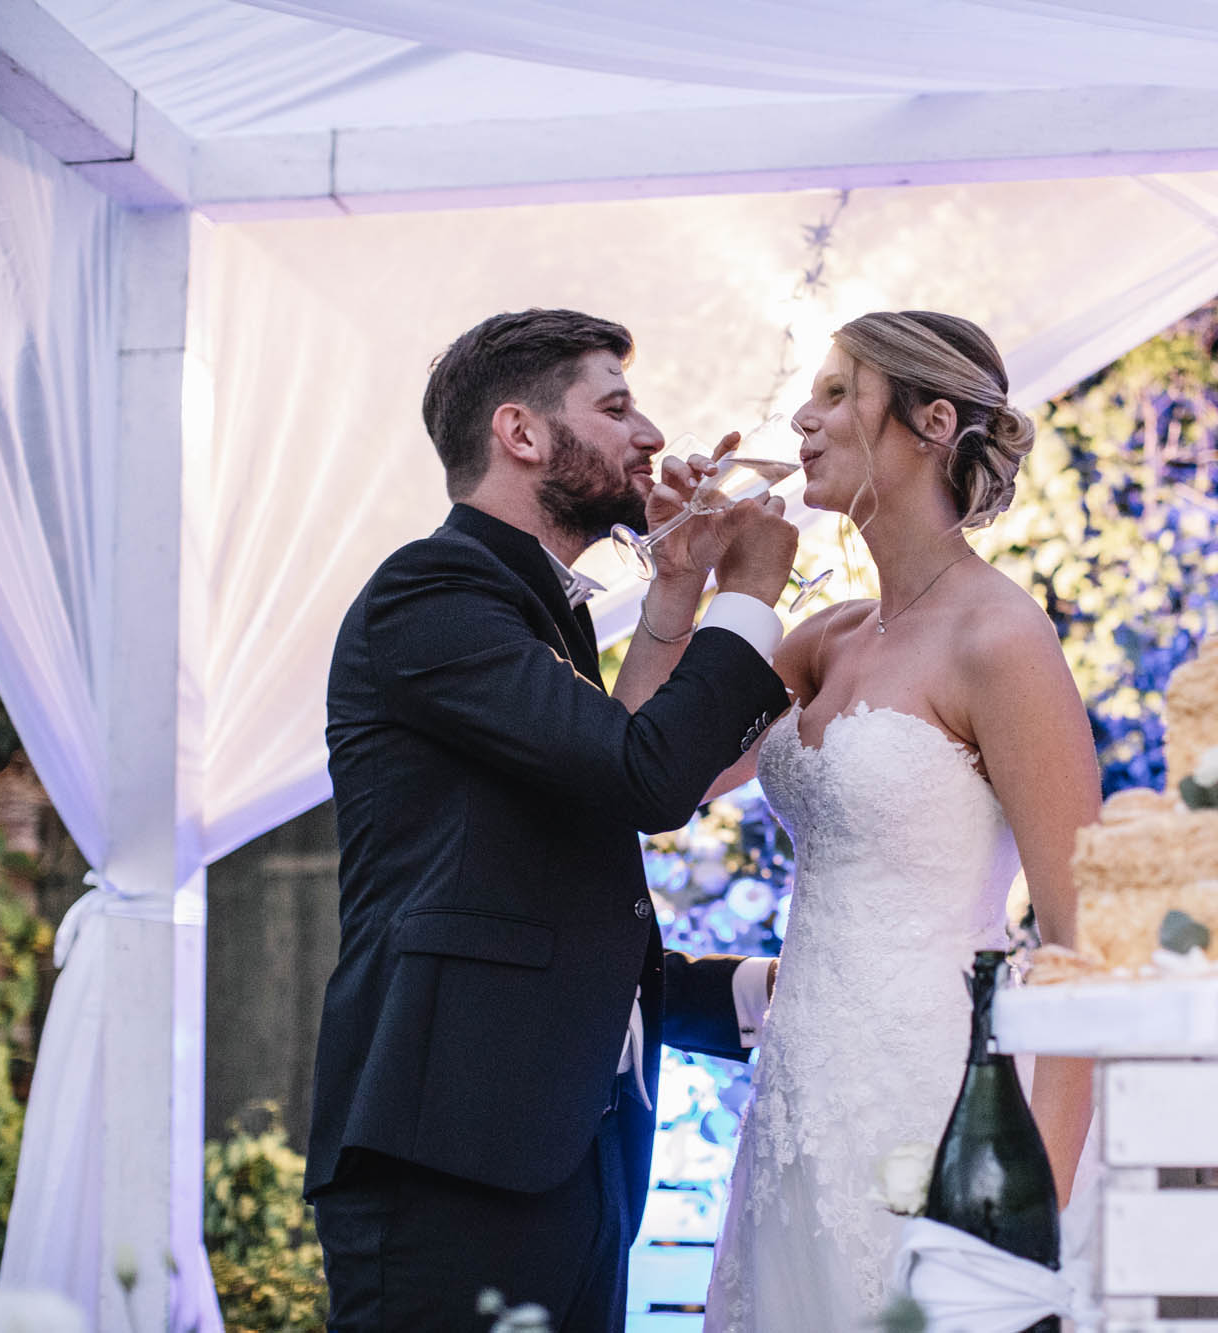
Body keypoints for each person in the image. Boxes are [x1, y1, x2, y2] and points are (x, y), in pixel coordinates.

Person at [304, 308, 800, 1332]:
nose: (653, 436)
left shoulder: (541, 611)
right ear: (522, 433)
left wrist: (674, 589)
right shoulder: (432, 592)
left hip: (570, 1157)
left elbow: (604, 791)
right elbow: (649, 775)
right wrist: (748, 593)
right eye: (615, 407)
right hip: (449, 1162)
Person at [703, 311, 1101, 1330]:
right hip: (798, 1098)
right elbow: (665, 776)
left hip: (937, 1102)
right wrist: (684, 591)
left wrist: (1030, 1203)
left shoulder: (1000, 639)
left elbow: (1086, 942)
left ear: (929, 421)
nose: (803, 415)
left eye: (837, 392)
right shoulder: (823, 638)